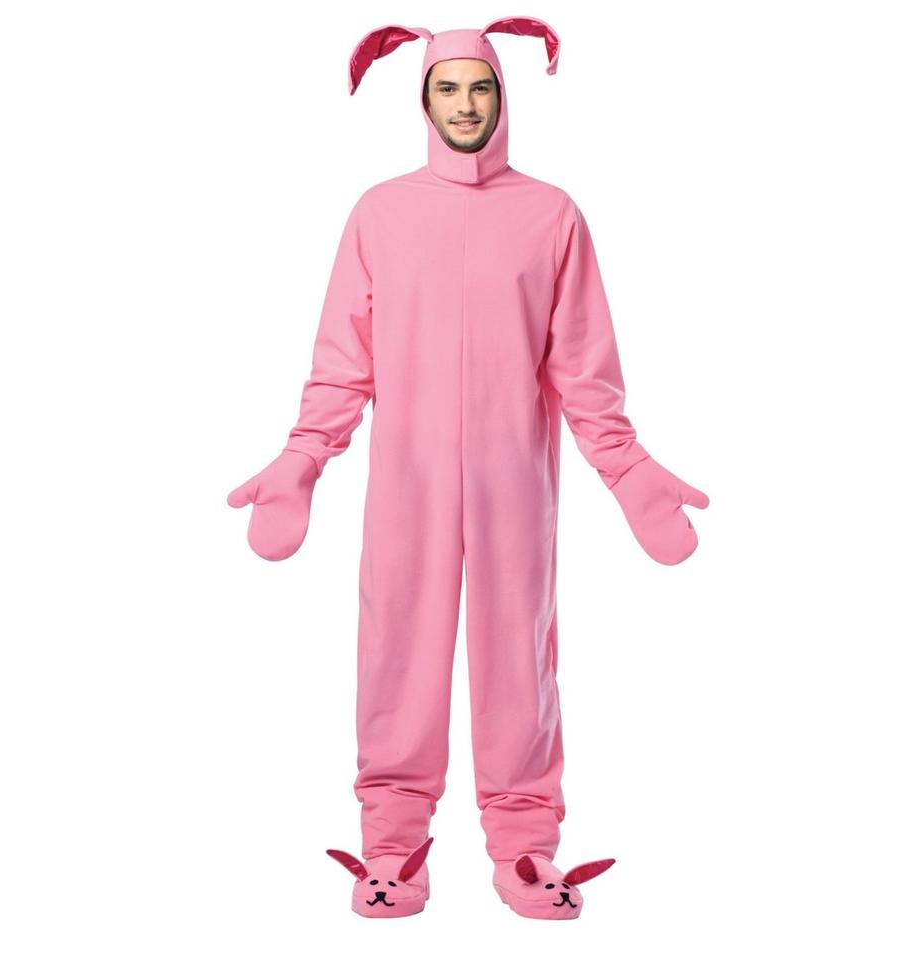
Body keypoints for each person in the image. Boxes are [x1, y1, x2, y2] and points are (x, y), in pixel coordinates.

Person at [227, 17, 710, 920]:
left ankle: (524, 849)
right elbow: (343, 360)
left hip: (512, 487)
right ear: (422, 100)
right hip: (405, 485)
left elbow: (582, 368)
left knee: (518, 662)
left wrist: (626, 466)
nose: (464, 104)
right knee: (396, 655)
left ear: (502, 96)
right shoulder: (379, 212)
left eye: (479, 87)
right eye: (446, 88)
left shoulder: (551, 214)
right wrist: (304, 455)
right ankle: (392, 849)